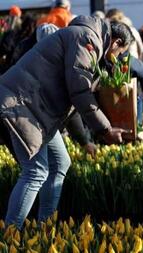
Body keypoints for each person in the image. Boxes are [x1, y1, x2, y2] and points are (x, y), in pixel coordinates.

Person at [0, 16, 134, 229]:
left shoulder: (87, 40)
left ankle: (45, 226)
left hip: (37, 109)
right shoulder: (86, 38)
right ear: (116, 42)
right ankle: (9, 235)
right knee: (36, 171)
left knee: (61, 162)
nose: (119, 58)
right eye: (121, 53)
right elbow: (79, 91)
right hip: (21, 104)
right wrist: (105, 129)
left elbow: (74, 99)